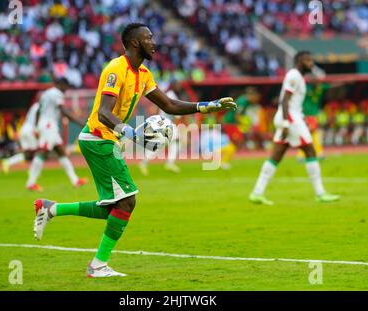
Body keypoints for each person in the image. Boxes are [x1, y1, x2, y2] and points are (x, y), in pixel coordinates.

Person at [32, 23, 236, 277]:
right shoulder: (115, 69)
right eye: (149, 38)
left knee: (114, 207)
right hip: (98, 138)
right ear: (135, 42)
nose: (154, 42)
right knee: (128, 201)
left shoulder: (144, 74)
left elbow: (170, 104)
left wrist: (208, 106)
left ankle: (50, 208)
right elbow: (104, 113)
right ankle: (97, 265)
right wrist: (131, 133)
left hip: (107, 140)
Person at [248, 51, 340, 205]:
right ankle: (320, 193)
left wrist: (299, 117)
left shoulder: (299, 77)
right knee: (310, 150)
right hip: (289, 118)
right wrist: (285, 123)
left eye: (311, 60)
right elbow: (285, 100)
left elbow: (293, 103)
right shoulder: (294, 75)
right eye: (307, 60)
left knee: (276, 154)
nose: (311, 63)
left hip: (291, 116)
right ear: (298, 61)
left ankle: (256, 193)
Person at [26, 78, 88, 192]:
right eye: (66, 87)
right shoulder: (57, 93)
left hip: (46, 125)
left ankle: (75, 180)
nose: (66, 90)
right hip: (48, 126)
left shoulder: (46, 93)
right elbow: (63, 110)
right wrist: (80, 122)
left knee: (61, 152)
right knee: (43, 151)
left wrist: (36, 126)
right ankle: (31, 183)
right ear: (61, 84)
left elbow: (39, 111)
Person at [138, 81, 183, 176]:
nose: (179, 86)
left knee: (159, 145)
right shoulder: (171, 94)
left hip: (163, 123)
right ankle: (170, 163)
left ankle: (144, 163)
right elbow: (176, 111)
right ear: (173, 85)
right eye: (177, 84)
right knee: (176, 140)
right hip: (166, 123)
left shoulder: (168, 94)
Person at [1, 102, 39, 174]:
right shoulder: (41, 106)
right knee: (37, 151)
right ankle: (34, 172)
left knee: (27, 154)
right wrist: (36, 130)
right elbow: (37, 118)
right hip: (30, 130)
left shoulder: (35, 105)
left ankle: (7, 162)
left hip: (24, 129)